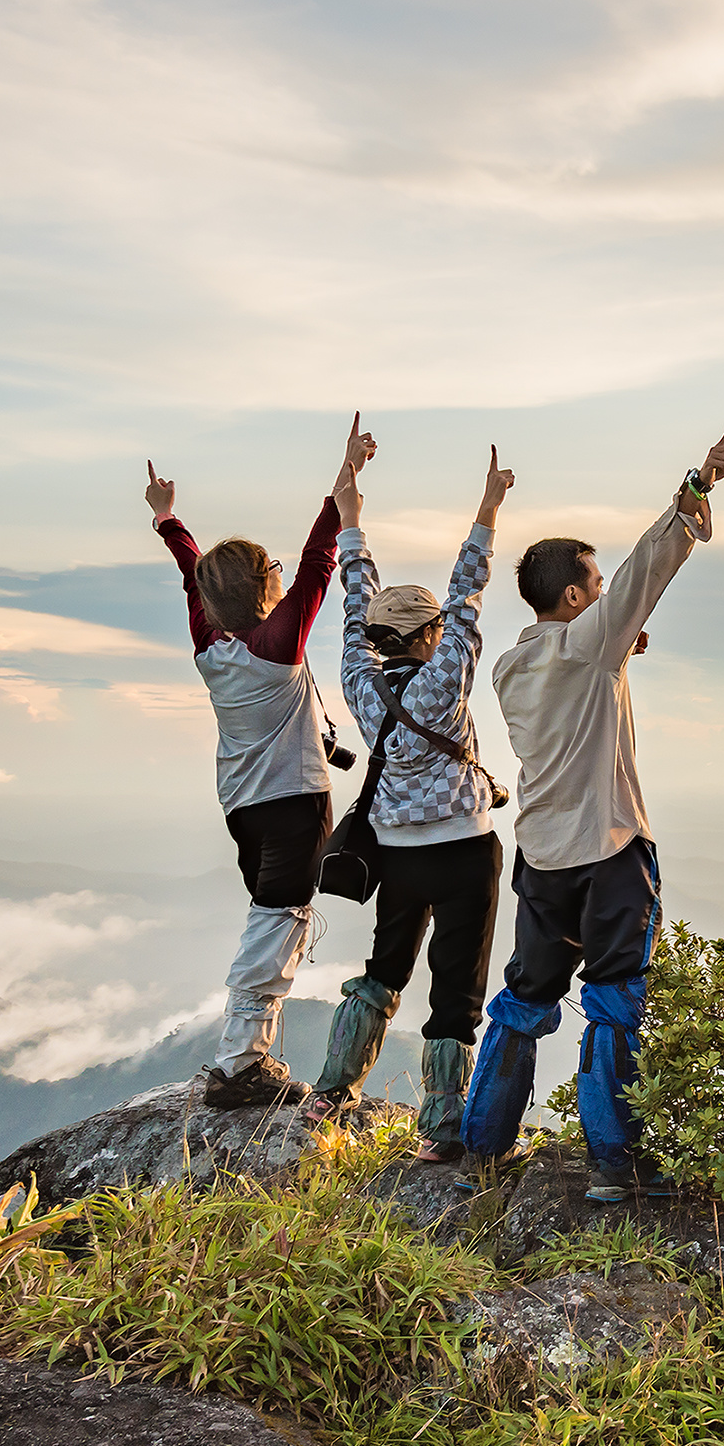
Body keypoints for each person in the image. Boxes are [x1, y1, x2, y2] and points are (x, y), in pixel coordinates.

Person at [460, 421, 724, 1201]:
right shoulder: (591, 646)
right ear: (577, 595)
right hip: (611, 850)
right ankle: (615, 1167)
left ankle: (481, 1148)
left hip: (543, 859)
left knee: (523, 1000)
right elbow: (644, 574)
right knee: (616, 1005)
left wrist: (618, 647)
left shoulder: (513, 667)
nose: (602, 586)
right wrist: (696, 490)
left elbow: (591, 648)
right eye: (592, 581)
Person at [146, 416, 375, 1109]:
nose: (283, 572)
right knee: (281, 919)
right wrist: (344, 486)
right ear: (264, 589)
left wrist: (168, 520)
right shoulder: (276, 649)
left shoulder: (209, 644)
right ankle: (241, 1062)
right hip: (294, 804)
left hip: (243, 807)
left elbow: (195, 577)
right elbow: (318, 564)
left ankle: (249, 1055)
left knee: (275, 912)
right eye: (270, 569)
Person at [301, 441, 519, 1160]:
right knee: (455, 985)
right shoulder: (445, 674)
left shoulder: (360, 683)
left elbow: (354, 595)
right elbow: (467, 596)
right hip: (464, 850)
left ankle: (332, 1091)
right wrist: (487, 510)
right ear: (429, 637)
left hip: (397, 858)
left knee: (384, 968)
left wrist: (350, 514)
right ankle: (440, 1128)